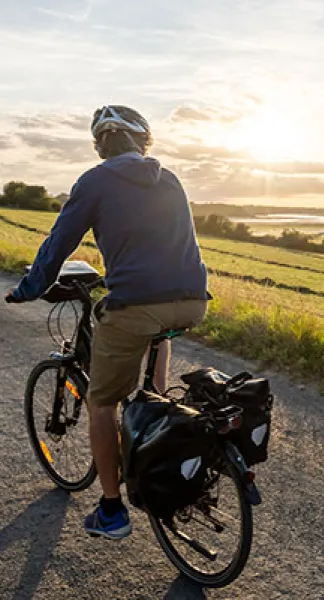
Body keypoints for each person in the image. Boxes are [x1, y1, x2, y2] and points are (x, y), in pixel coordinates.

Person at [4, 105, 209, 540]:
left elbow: (60, 241)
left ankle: (112, 511)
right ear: (143, 142)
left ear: (101, 145)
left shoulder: (95, 181)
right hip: (192, 301)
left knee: (103, 402)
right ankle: (154, 400)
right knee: (154, 327)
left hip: (137, 305)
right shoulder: (169, 179)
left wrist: (29, 288)